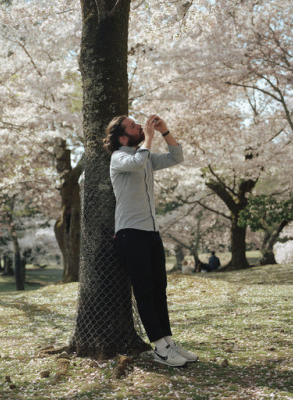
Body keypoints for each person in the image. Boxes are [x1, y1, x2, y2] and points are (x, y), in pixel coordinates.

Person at [103, 114, 198, 367]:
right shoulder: (119, 158)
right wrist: (150, 137)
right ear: (123, 137)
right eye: (134, 126)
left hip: (151, 233)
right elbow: (136, 163)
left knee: (159, 290)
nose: (140, 127)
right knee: (145, 292)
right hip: (130, 234)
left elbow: (177, 157)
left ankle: (168, 342)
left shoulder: (144, 157)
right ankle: (160, 349)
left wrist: (165, 131)